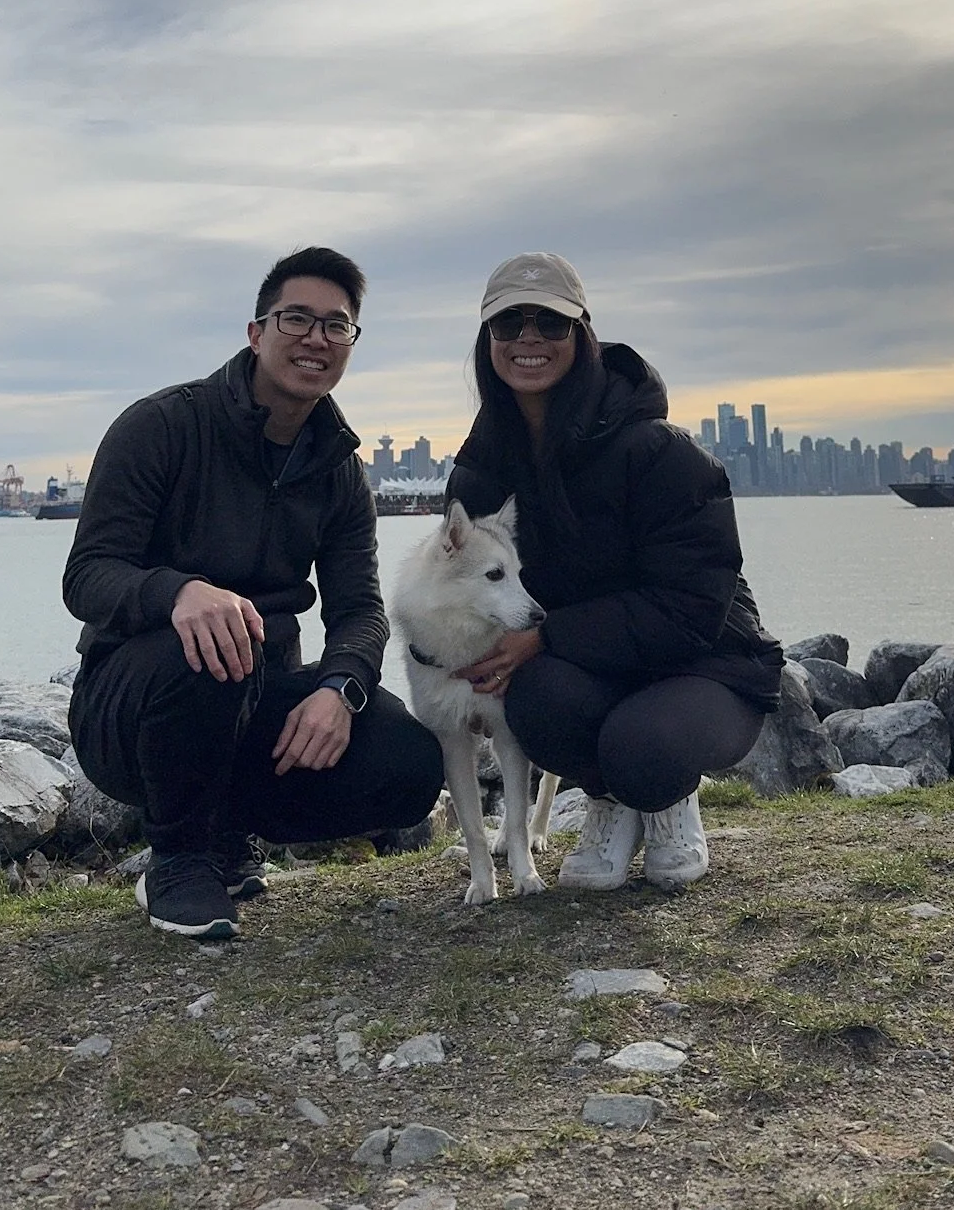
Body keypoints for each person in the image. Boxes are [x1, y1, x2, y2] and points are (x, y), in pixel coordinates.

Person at [62, 246, 443, 941]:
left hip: (257, 696)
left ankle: (229, 831)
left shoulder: (338, 471)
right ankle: (178, 857)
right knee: (210, 642)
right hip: (133, 705)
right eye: (296, 318)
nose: (315, 339)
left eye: (336, 326)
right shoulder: (163, 427)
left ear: (351, 344)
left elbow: (359, 609)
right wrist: (179, 593)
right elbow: (88, 575)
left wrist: (341, 689)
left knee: (410, 765)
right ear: (256, 332)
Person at [445, 253, 783, 890]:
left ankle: (663, 801)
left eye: (550, 323)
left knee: (644, 751)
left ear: (582, 334)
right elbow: (467, 589)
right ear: (487, 340)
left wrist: (547, 636)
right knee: (533, 702)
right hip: (587, 667)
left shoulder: (663, 455)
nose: (528, 341)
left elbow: (690, 608)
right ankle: (610, 800)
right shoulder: (480, 474)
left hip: (704, 665)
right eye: (507, 325)